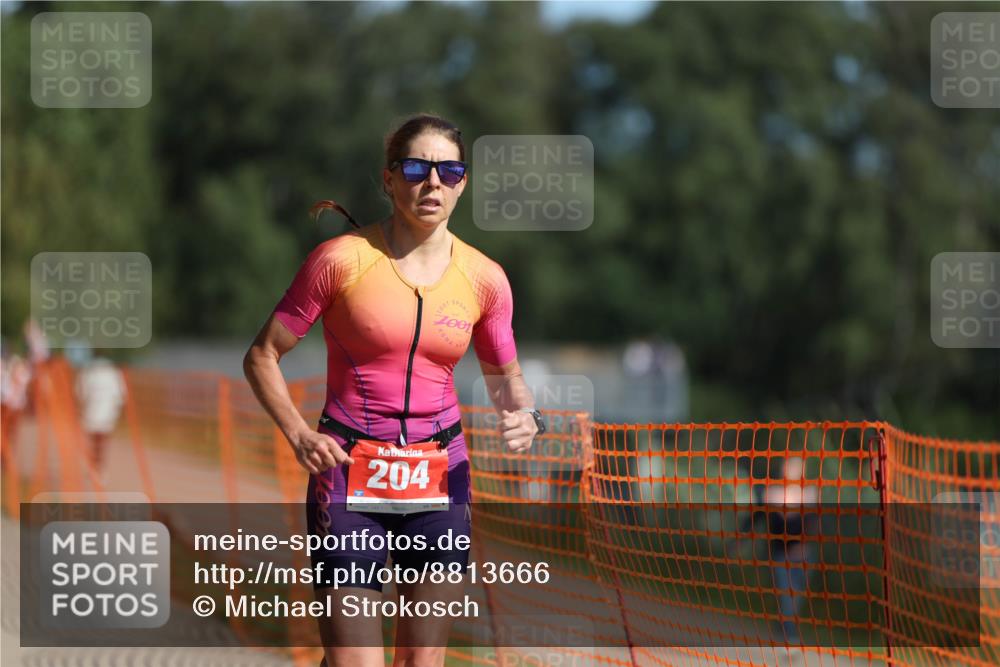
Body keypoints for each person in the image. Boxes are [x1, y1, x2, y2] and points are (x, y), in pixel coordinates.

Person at [243, 113, 544, 667]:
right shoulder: (340, 260)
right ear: (388, 179)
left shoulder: (486, 279)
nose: (432, 183)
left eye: (449, 171)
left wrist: (527, 415)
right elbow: (262, 355)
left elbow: (507, 380)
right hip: (348, 472)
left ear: (463, 184)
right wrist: (298, 433)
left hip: (440, 478)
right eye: (415, 169)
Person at [730, 455, 819, 648]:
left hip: (804, 556)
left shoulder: (810, 494)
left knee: (796, 597)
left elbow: (814, 524)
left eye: (795, 467)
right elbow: (756, 518)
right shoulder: (771, 493)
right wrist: (740, 539)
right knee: (787, 594)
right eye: (788, 466)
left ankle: (785, 626)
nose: (791, 470)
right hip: (781, 554)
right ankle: (789, 636)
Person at [74, 353, 127, 474]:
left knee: (98, 441)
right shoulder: (110, 373)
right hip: (98, 412)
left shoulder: (91, 372)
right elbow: (121, 396)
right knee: (98, 441)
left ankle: (97, 465)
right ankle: (96, 465)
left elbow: (80, 393)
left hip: (99, 412)